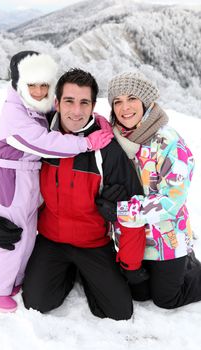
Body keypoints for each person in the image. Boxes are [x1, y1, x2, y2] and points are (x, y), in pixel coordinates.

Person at [0, 68, 144, 320]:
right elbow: (12, 171)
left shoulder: (106, 148)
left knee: (118, 311)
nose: (76, 111)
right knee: (36, 302)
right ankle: (67, 271)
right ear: (56, 102)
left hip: (92, 243)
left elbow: (133, 206)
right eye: (69, 101)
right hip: (51, 240)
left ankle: (85, 271)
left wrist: (131, 265)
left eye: (84, 102)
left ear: (93, 106)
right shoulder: (41, 138)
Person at [99, 70, 201, 309]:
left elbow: (171, 201)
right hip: (131, 242)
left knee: (166, 299)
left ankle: (188, 262)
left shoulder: (168, 142)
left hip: (166, 240)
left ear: (146, 102)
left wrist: (121, 211)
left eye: (132, 99)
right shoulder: (113, 142)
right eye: (117, 102)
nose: (125, 107)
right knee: (140, 295)